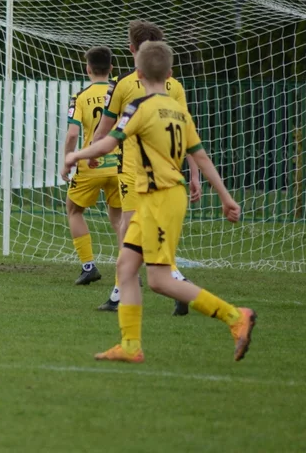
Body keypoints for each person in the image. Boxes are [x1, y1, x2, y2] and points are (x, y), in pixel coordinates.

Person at [66, 41, 256, 363]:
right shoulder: (178, 109)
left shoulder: (139, 107)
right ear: (168, 74)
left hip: (160, 199)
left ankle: (235, 317)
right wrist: (226, 197)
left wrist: (73, 156)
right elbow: (201, 156)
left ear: (138, 73)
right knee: (126, 268)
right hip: (157, 197)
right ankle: (130, 345)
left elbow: (106, 143)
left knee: (159, 280)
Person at [91, 21, 201, 315]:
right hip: (169, 174)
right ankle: (135, 291)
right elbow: (189, 133)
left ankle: (154, 287)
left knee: (130, 234)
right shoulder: (174, 85)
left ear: (131, 49)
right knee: (148, 233)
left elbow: (105, 128)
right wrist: (195, 175)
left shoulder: (123, 84)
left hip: (133, 171)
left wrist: (89, 154)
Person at [61, 46, 122, 285]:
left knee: (74, 210)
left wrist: (67, 160)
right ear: (112, 68)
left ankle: (88, 266)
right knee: (120, 219)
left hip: (90, 164)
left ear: (87, 69)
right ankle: (129, 271)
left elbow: (72, 134)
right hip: (119, 164)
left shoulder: (80, 97)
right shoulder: (119, 92)